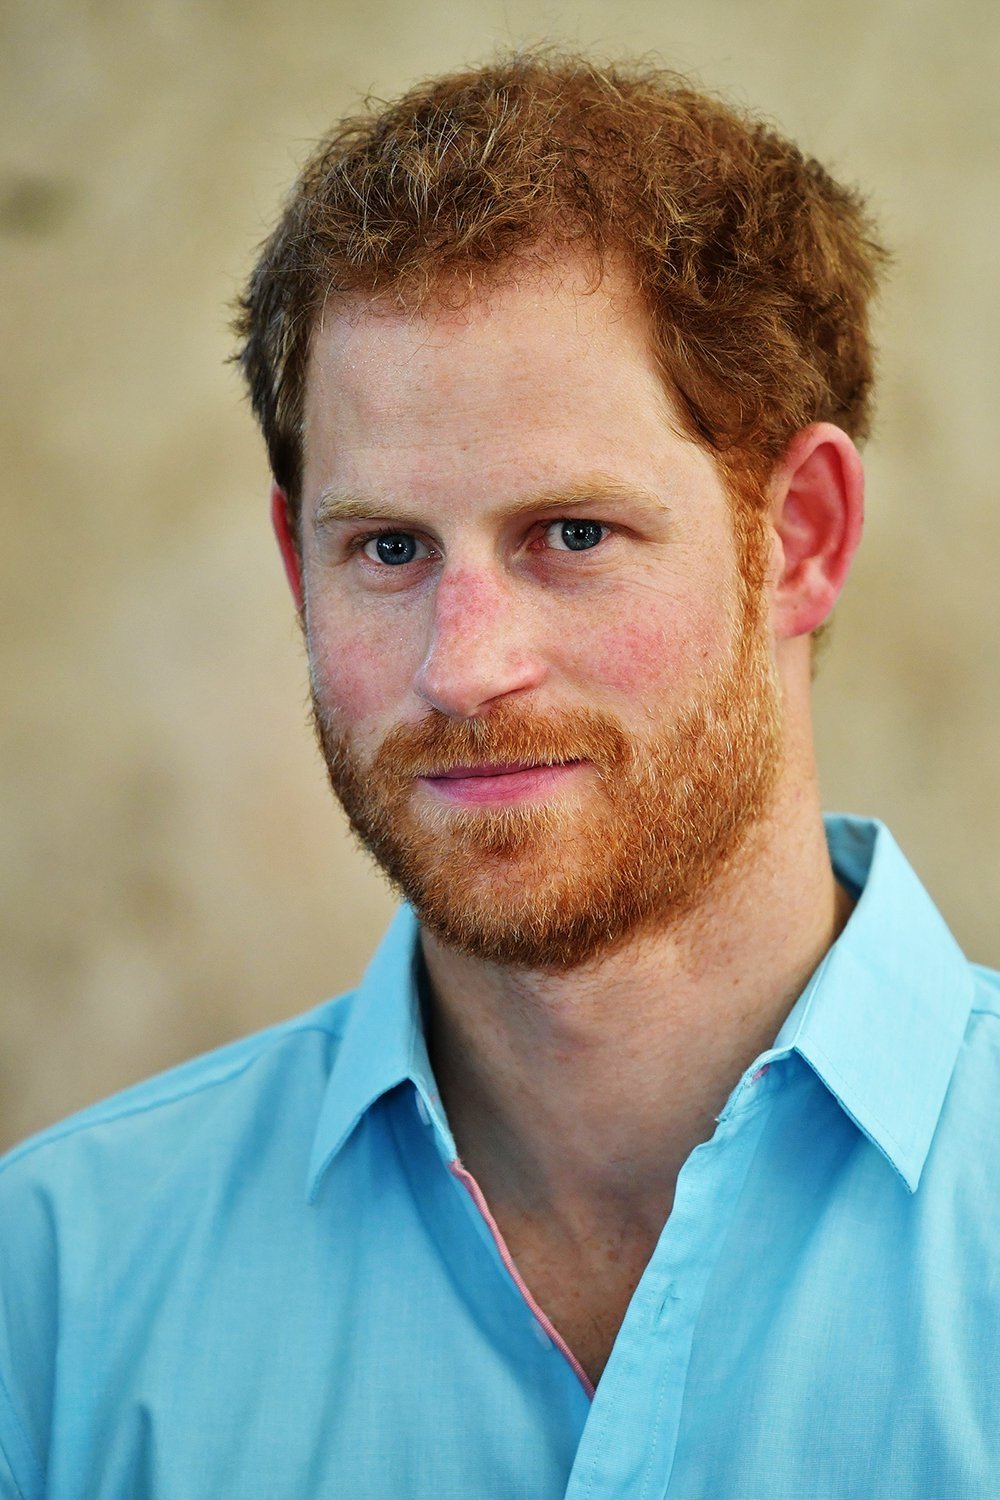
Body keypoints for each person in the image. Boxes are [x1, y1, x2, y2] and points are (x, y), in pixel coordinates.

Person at [1, 51, 997, 1500]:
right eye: (389, 549)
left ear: (799, 539)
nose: (463, 668)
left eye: (572, 535)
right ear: (300, 569)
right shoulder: (60, 1289)